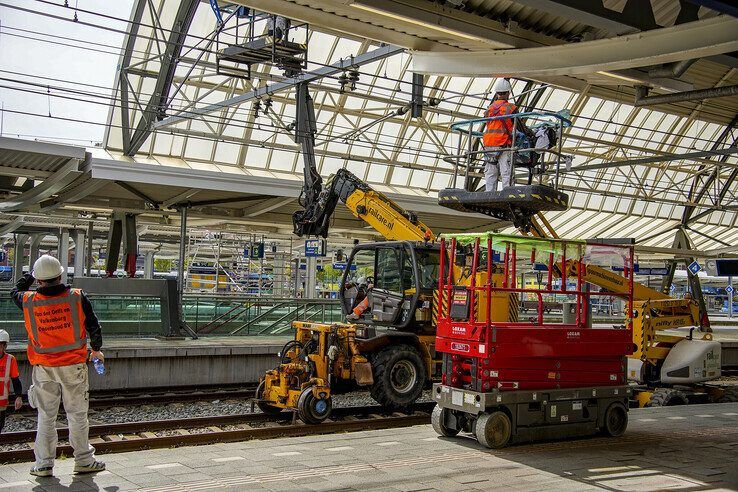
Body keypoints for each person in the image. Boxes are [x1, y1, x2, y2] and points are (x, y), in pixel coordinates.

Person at [10, 255, 105, 477]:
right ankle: (83, 460)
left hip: (44, 368)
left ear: (38, 280)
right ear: (61, 275)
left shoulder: (28, 300)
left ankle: (43, 464)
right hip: (73, 366)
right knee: (78, 415)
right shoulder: (77, 297)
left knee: (46, 416)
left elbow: (13, 291)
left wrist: (28, 276)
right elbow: (93, 325)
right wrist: (97, 348)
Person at [482, 79, 535, 192]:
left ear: (496, 93)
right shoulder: (511, 108)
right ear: (508, 93)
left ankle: (489, 194)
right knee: (506, 171)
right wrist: (529, 133)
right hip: (503, 143)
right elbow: (520, 126)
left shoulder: (489, 109)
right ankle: (508, 194)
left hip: (488, 143)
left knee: (491, 172)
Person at [0, 329, 23, 433]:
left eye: (0, 345)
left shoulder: (10, 359)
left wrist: (18, 397)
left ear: (5, 346)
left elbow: (15, 380)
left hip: (2, 403)